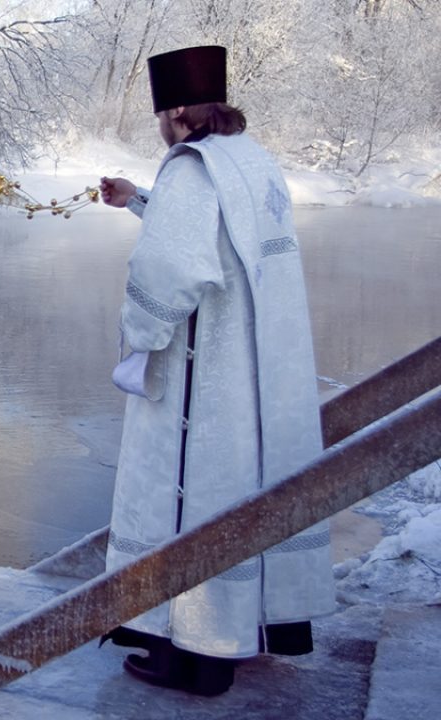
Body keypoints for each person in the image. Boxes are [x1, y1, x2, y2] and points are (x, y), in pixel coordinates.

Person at [95, 45, 335, 697]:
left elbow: (170, 269)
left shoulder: (192, 169)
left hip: (202, 388)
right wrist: (141, 199)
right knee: (236, 498)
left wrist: (136, 341)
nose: (160, 130)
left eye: (161, 117)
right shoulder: (250, 161)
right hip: (255, 379)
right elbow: (214, 235)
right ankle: (226, 641)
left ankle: (192, 657)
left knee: (190, 504)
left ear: (177, 110)